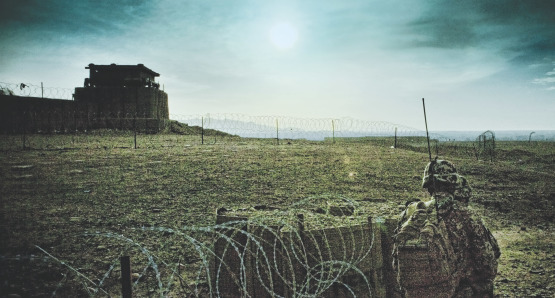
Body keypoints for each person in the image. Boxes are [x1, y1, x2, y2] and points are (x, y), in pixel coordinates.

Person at [393, 159, 500, 297]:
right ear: (453, 183)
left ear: (428, 185)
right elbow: (487, 266)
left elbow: (397, 264)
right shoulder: (467, 215)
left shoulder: (409, 214)